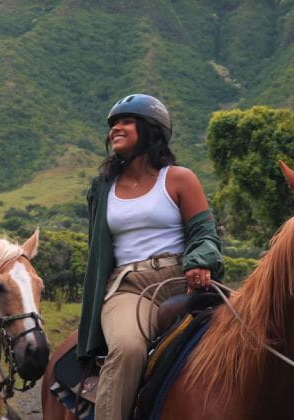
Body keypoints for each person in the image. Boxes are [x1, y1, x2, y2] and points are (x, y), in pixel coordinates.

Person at [76, 94, 225, 420]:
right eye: (114, 123)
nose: (116, 128)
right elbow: (98, 250)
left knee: (250, 330)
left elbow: (205, 234)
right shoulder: (102, 188)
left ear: (151, 130)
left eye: (126, 121)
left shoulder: (179, 178)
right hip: (130, 287)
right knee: (128, 349)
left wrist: (200, 261)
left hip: (183, 278)